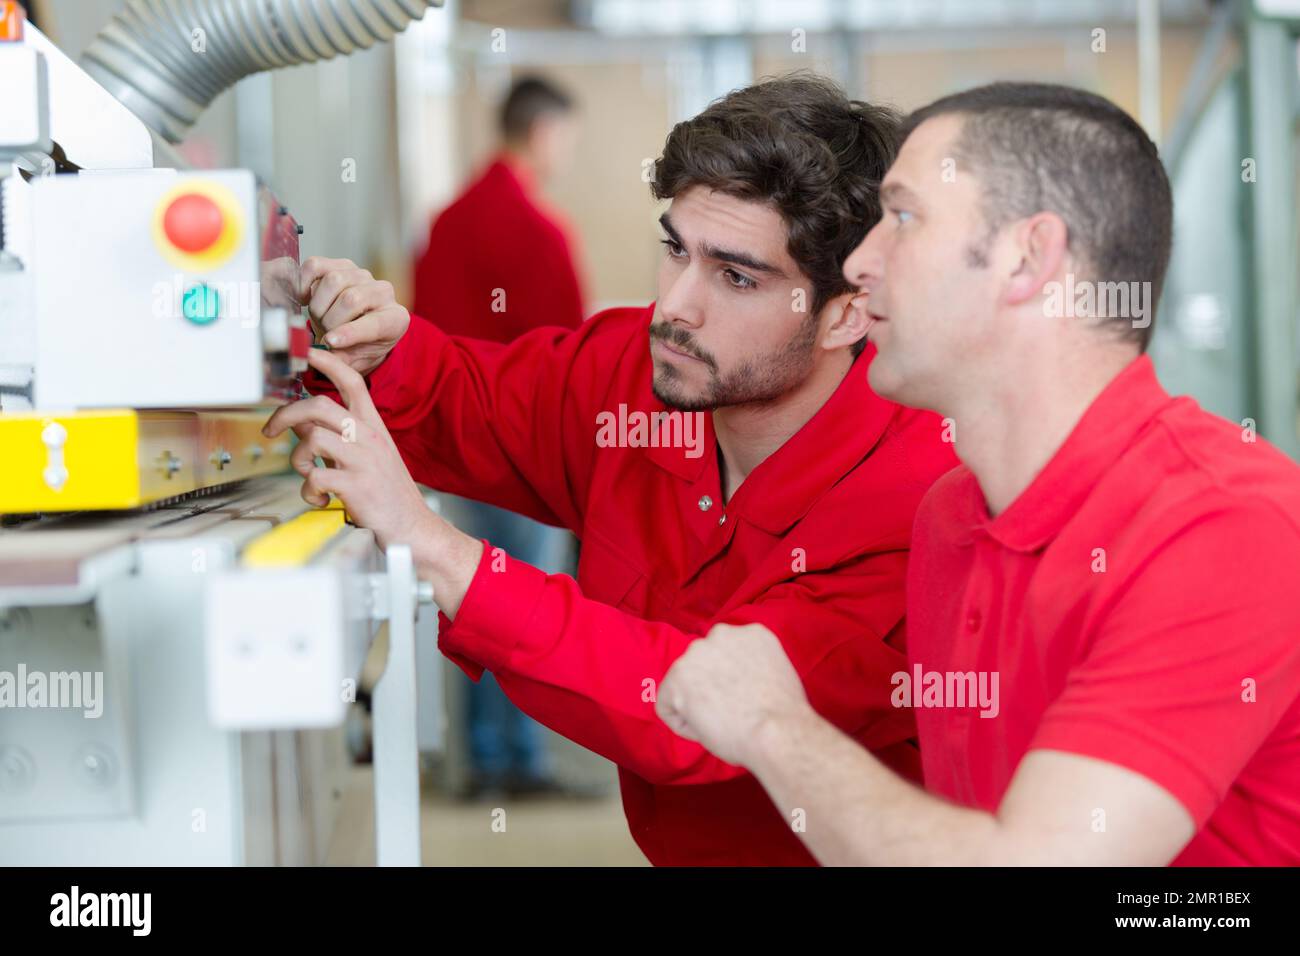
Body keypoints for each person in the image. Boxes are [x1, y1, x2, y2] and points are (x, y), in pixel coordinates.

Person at [263, 74, 958, 865]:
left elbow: (698, 712)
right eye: (675, 251)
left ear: (846, 313)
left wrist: (433, 545)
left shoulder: (920, 499)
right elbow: (480, 404)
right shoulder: (641, 374)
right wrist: (377, 351)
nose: (674, 308)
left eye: (735, 276)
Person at [655, 82, 1300, 866]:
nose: (859, 263)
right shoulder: (952, 519)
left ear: (1028, 258)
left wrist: (768, 724)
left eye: (902, 218)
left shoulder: (1223, 523)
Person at [412, 75, 587, 799]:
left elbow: (425, 337)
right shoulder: (539, 232)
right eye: (566, 137)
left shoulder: (449, 221)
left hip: (453, 449)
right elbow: (573, 361)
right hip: (524, 451)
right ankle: (523, 763)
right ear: (543, 132)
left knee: (474, 597)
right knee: (529, 606)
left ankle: (486, 762)